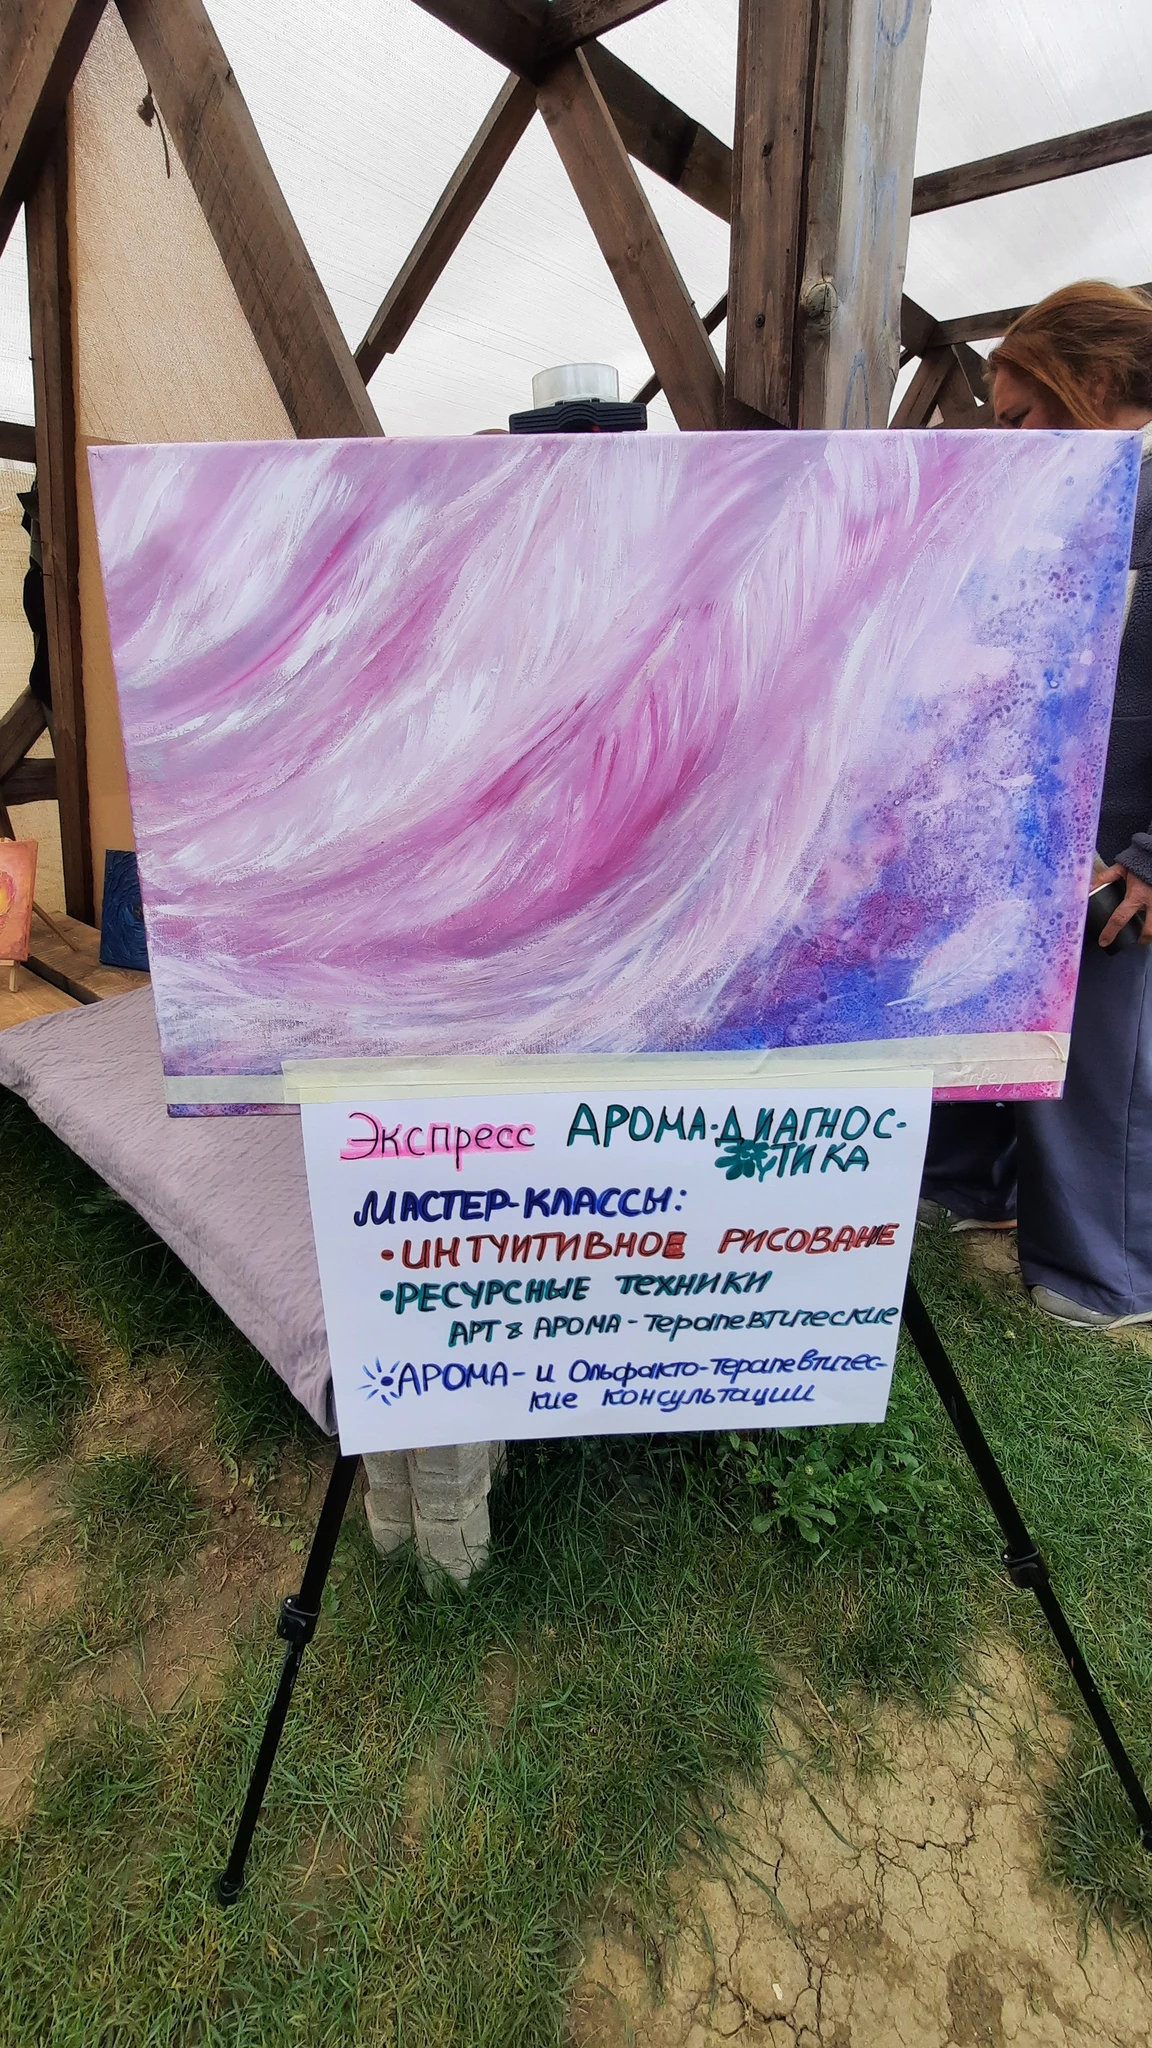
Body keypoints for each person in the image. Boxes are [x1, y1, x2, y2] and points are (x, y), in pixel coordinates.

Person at [920, 281, 1152, 1328]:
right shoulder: (1072, 492)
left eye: (1020, 416)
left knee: (1100, 1067)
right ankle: (976, 1194)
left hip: (1117, 846)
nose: (1010, 439)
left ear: (1091, 379)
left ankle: (1103, 1278)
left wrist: (1150, 853)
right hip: (1031, 819)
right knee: (990, 1018)